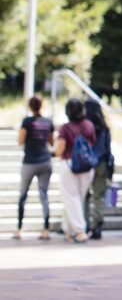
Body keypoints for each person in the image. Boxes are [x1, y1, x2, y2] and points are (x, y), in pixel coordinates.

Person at [55, 97, 96, 243]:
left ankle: (79, 231)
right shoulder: (89, 125)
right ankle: (68, 229)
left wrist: (53, 152)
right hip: (87, 166)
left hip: (70, 164)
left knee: (71, 198)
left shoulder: (65, 128)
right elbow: (93, 142)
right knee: (78, 198)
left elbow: (60, 149)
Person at [15, 95, 54, 240]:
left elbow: (20, 140)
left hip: (30, 162)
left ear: (30, 106)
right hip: (45, 161)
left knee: (23, 195)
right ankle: (45, 229)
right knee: (44, 194)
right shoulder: (48, 122)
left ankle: (19, 229)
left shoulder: (27, 122)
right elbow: (51, 142)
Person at [84, 99, 114, 240]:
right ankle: (97, 225)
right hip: (102, 163)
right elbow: (108, 149)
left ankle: (84, 224)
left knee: (84, 195)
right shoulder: (105, 128)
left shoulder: (85, 127)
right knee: (98, 195)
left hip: (87, 163)